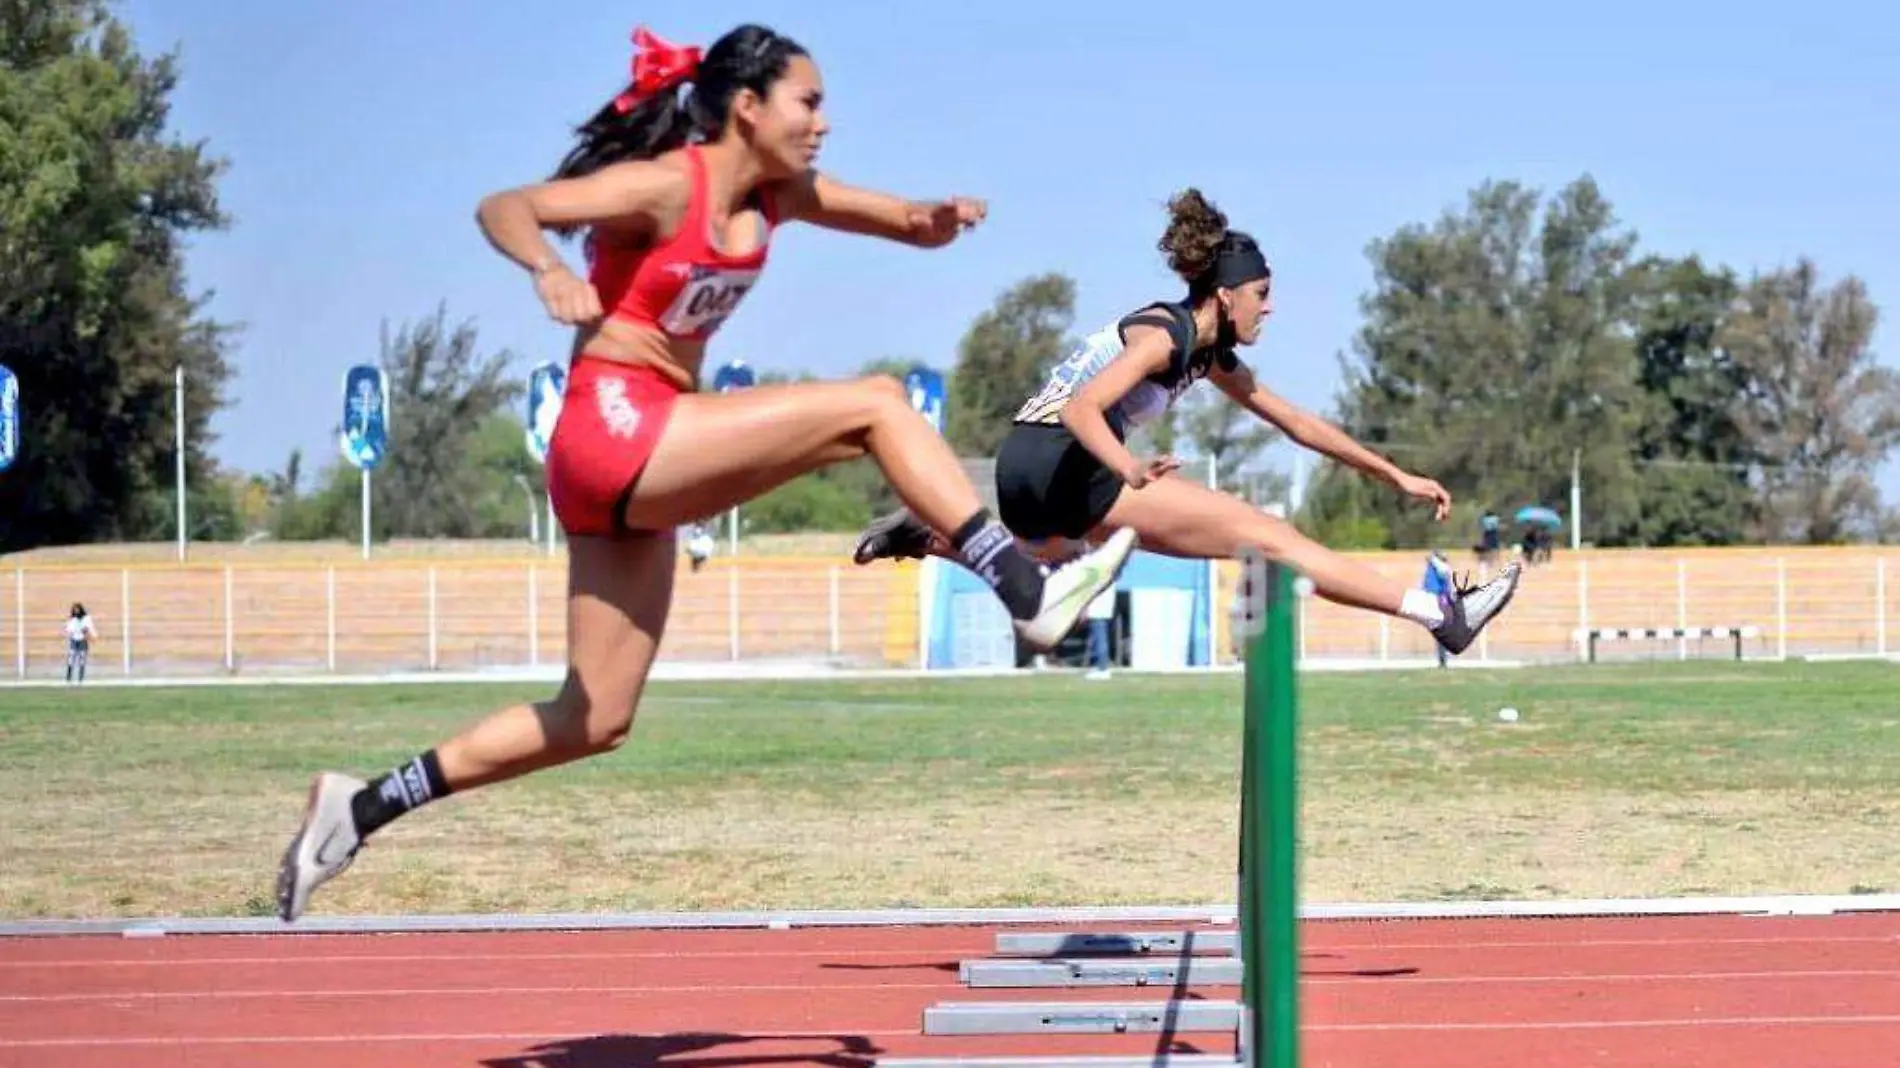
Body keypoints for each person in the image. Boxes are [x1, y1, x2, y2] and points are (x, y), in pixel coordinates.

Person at [274, 23, 1136, 923]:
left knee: (594, 716)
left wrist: (940, 220)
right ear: (748, 106)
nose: (824, 122)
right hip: (613, 422)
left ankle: (359, 806)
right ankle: (1026, 587)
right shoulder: (658, 187)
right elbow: (507, 205)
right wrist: (546, 273)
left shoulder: (777, 195)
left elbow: (906, 227)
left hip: (635, 462)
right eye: (810, 102)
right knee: (878, 405)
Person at [853, 188, 1520, 656]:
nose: (1271, 308)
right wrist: (1128, 467)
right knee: (1269, 537)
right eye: (1263, 295)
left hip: (1025, 470)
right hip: (1069, 461)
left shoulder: (1207, 354)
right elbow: (1083, 407)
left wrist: (1393, 473)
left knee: (1060, 567)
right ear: (1225, 295)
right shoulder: (1167, 334)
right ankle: (1440, 614)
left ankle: (931, 539)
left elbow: (1293, 421)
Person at [63, 603, 96, 685]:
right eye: (75, 610)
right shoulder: (72, 619)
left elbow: (89, 628)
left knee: (82, 660)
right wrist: (69, 632)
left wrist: (91, 635)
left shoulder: (86, 618)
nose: (76, 611)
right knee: (71, 659)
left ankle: (80, 678)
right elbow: (68, 629)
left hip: (82, 640)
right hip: (74, 640)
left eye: (77, 609)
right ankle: (68, 677)